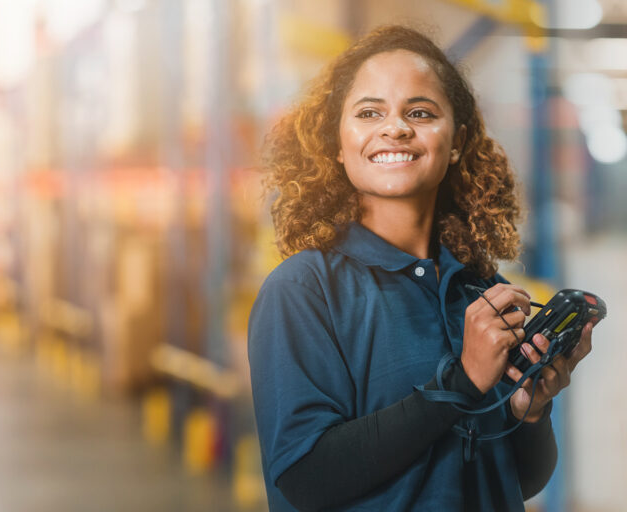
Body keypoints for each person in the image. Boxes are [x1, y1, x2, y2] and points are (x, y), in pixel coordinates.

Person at [247, 26, 597, 511]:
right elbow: (305, 477)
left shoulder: (483, 292)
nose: (396, 128)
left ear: (456, 142)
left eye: (420, 112)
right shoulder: (303, 291)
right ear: (336, 142)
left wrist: (530, 412)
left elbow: (520, 480)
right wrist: (462, 382)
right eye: (370, 112)